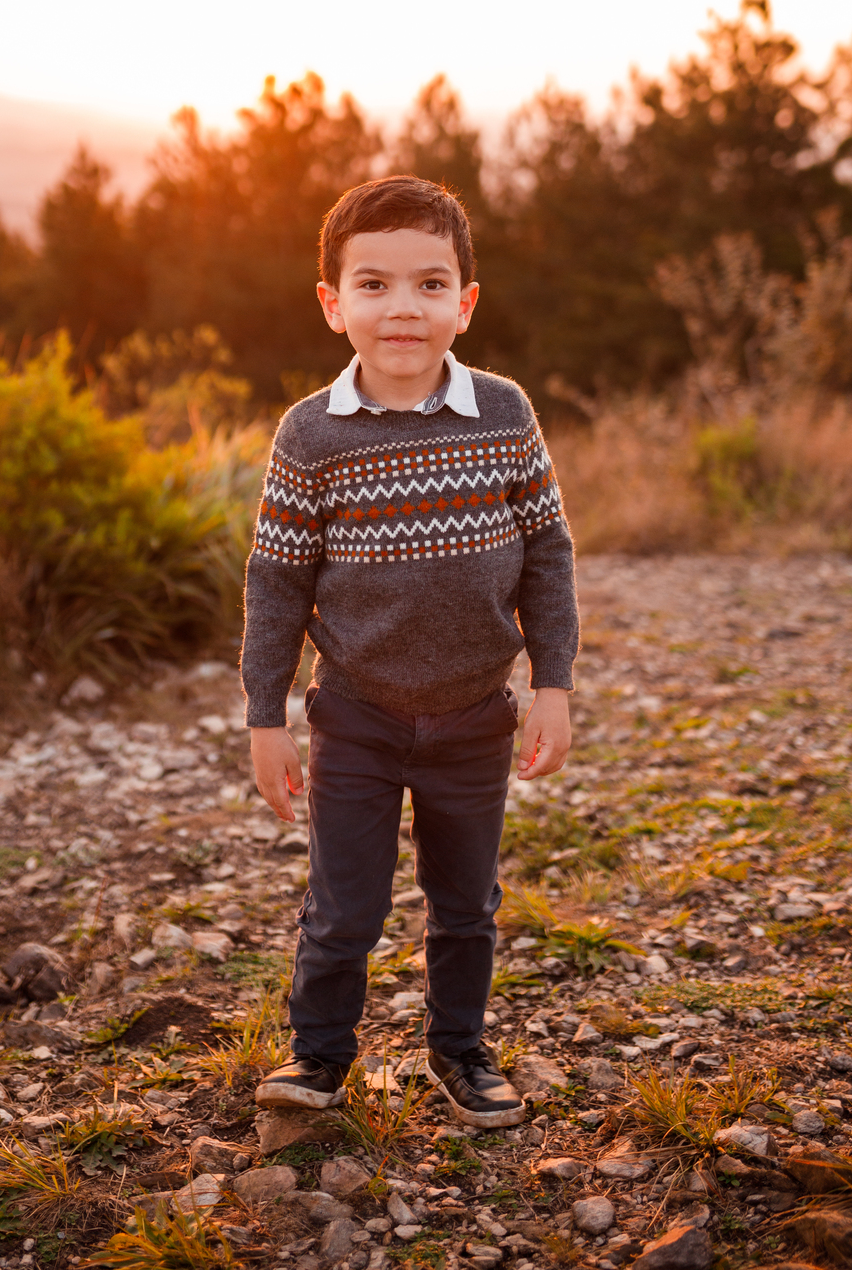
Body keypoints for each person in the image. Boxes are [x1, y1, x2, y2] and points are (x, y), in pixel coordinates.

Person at [240, 174, 579, 1128]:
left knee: (465, 904)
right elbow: (276, 584)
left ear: (464, 305)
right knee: (344, 905)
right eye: (374, 284)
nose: (403, 308)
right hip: (354, 713)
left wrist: (552, 683)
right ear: (333, 304)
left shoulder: (504, 415)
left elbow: (548, 557)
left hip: (477, 713)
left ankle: (458, 1049)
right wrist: (266, 716)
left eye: (431, 285)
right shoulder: (310, 436)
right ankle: (318, 1057)